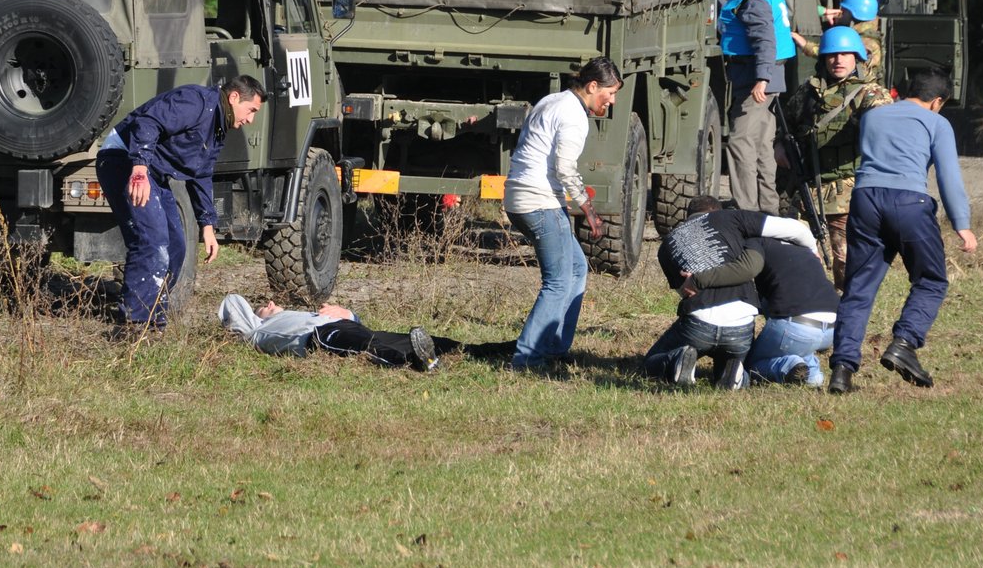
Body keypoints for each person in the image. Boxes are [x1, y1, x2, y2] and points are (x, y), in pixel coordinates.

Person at [829, 68, 977, 393]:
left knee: (858, 288)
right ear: (938, 101)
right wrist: (962, 225)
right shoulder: (937, 122)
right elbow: (949, 178)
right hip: (909, 203)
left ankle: (841, 370)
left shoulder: (874, 117)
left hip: (865, 199)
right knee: (931, 280)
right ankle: (904, 344)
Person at [97, 75, 265, 329]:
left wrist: (207, 225)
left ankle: (153, 315)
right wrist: (139, 168)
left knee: (176, 246)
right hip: (124, 160)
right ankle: (135, 325)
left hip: (153, 173)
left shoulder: (218, 124)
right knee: (152, 241)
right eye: (251, 110)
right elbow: (148, 121)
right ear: (233, 98)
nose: (250, 119)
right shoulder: (195, 102)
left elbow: (202, 172)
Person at [502, 57, 621, 370]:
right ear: (592, 86)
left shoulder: (553, 101)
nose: (612, 101)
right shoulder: (573, 115)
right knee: (557, 282)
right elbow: (565, 168)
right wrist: (589, 211)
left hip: (518, 197)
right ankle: (527, 358)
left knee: (577, 269)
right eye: (609, 93)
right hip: (539, 201)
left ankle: (555, 347)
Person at [645, 196, 820, 388]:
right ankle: (736, 374)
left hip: (699, 324)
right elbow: (797, 229)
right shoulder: (730, 218)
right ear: (717, 211)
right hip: (741, 324)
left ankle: (676, 361)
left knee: (651, 362)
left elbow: (687, 291)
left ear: (688, 219)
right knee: (729, 365)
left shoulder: (666, 246)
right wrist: (812, 251)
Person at [782, 26, 892, 283]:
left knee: (844, 258)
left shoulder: (870, 92)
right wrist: (779, 145)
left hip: (848, 190)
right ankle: (812, 303)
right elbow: (786, 124)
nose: (838, 60)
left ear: (857, 58)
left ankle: (846, 306)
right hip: (807, 189)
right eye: (832, 54)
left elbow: (883, 121)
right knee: (801, 256)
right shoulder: (808, 91)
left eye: (845, 54)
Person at [718, 0, 796, 214]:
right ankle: (768, 208)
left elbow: (765, 41)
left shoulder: (753, 3)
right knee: (762, 143)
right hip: (769, 78)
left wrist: (761, 79)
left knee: (740, 142)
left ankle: (746, 210)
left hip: (756, 80)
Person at [218, 294, 456, 371]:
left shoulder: (297, 313)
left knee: (404, 339)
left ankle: (479, 351)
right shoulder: (257, 331)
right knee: (368, 348)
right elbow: (231, 301)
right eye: (263, 309)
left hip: (348, 325)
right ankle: (415, 363)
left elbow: (354, 321)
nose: (269, 304)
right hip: (319, 336)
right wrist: (256, 317)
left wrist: (348, 314)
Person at [745, 237, 838, 387]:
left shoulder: (757, 246)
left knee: (748, 366)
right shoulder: (802, 246)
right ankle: (813, 376)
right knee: (801, 345)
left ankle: (789, 365)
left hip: (797, 327)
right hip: (832, 328)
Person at [790, 0, 883, 82]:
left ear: (853, 14)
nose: (840, 12)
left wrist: (806, 45)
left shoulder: (867, 42)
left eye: (844, 10)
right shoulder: (863, 31)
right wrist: (824, 12)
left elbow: (836, 53)